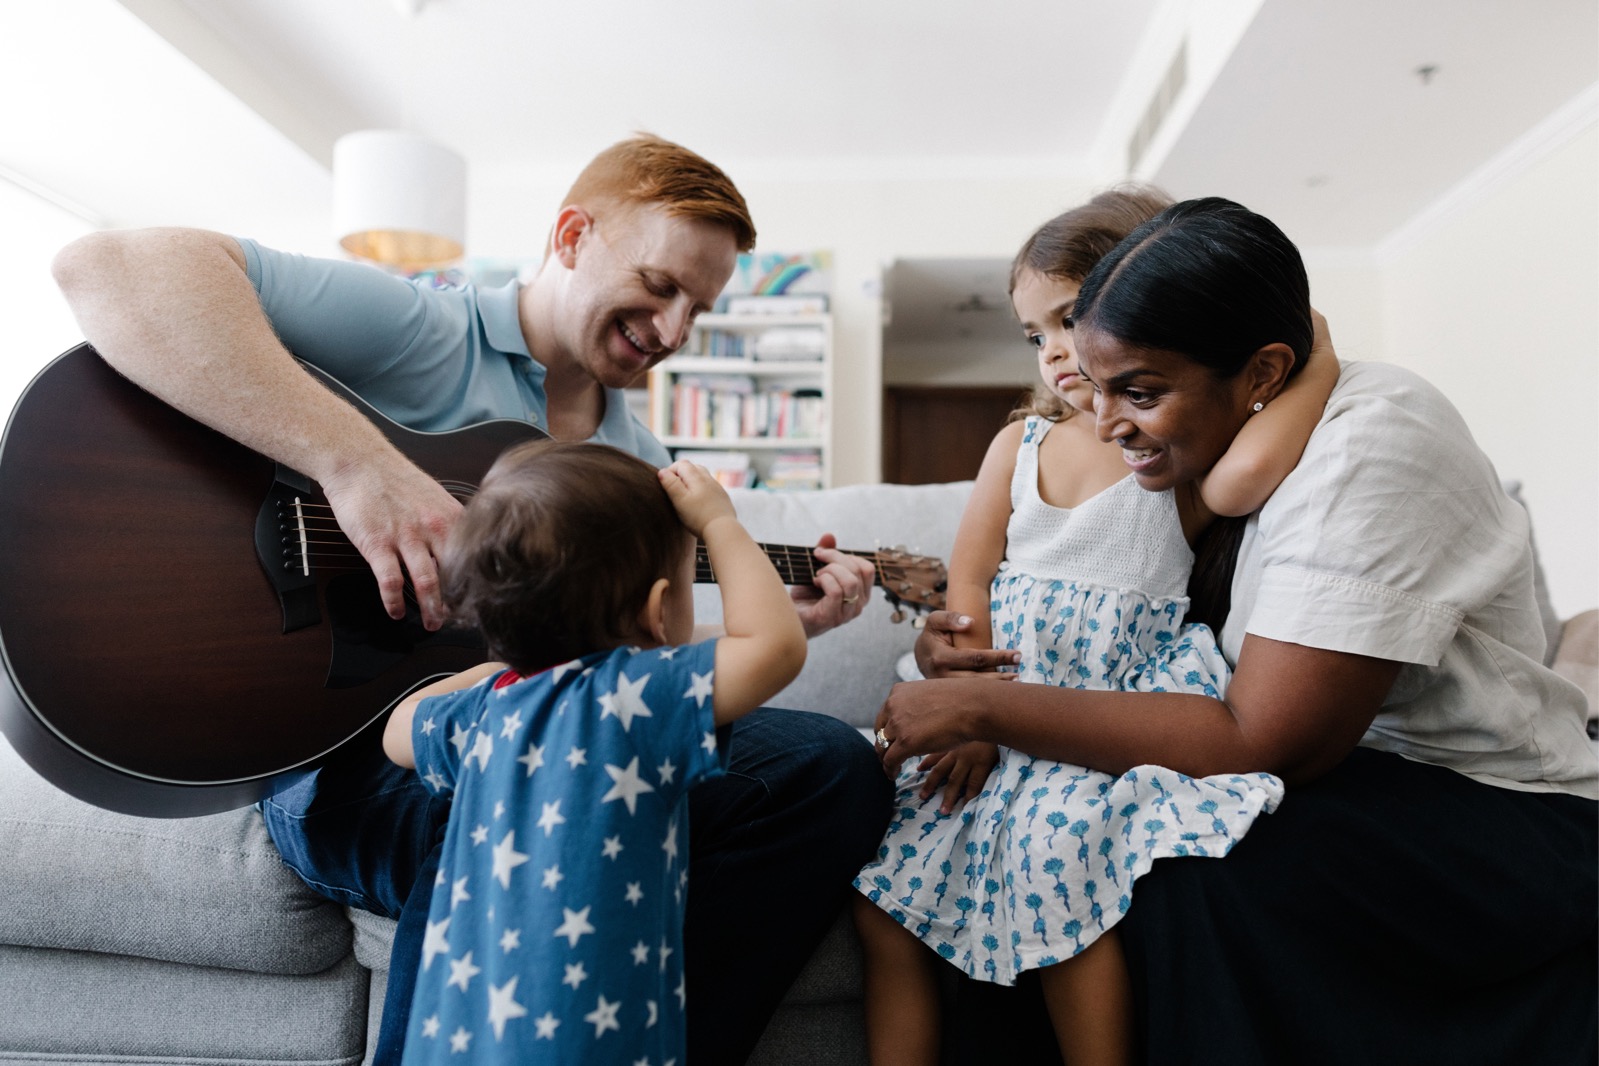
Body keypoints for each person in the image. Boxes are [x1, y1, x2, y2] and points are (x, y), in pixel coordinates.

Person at [52, 133, 891, 1064]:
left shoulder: (640, 471)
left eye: (699, 307)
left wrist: (772, 612)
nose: (673, 328)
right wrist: (356, 465)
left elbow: (617, 699)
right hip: (331, 753)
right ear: (573, 235)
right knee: (524, 784)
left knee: (829, 767)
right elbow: (108, 266)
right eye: (659, 284)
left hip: (497, 735)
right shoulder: (422, 328)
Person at [876, 197, 1598, 1065]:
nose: (1103, 424)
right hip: (1350, 772)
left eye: (1135, 391)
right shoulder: (1211, 440)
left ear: (1262, 373)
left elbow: (1263, 738)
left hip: (1491, 804)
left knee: (1170, 869)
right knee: (1058, 852)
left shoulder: (1367, 444)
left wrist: (984, 712)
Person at [851, 188, 1338, 1066]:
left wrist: (1319, 350)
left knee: (1057, 858)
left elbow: (1246, 478)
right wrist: (967, 700)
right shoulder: (1019, 446)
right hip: (996, 690)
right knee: (881, 885)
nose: (1055, 354)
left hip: (1108, 705)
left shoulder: (1169, 444)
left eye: (1071, 318)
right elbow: (968, 578)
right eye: (1033, 334)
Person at [381, 442, 806, 1062]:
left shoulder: (486, 710)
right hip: (590, 1042)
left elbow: (400, 730)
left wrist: (505, 662)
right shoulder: (636, 697)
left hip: (458, 1042)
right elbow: (774, 647)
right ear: (658, 611)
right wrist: (719, 523)